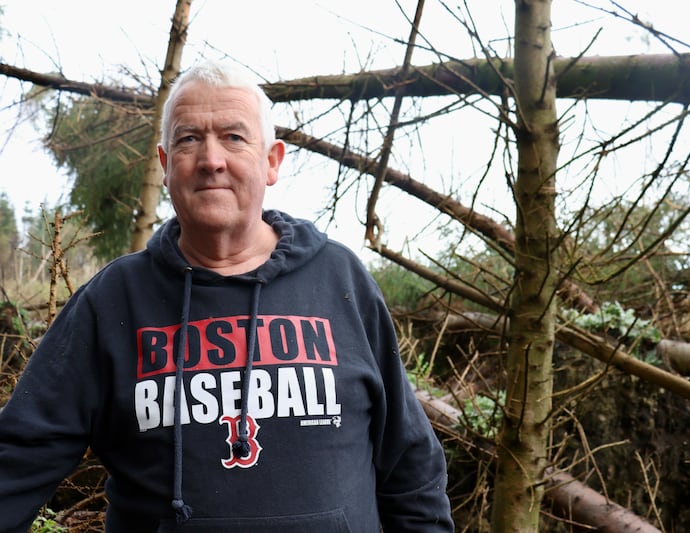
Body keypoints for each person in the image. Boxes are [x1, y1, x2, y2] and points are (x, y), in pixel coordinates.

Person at [0, 59, 454, 532]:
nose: (211, 159)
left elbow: (410, 466)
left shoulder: (340, 280)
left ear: (272, 161)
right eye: (189, 138)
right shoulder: (113, 301)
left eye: (234, 138)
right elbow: (18, 459)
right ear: (165, 164)